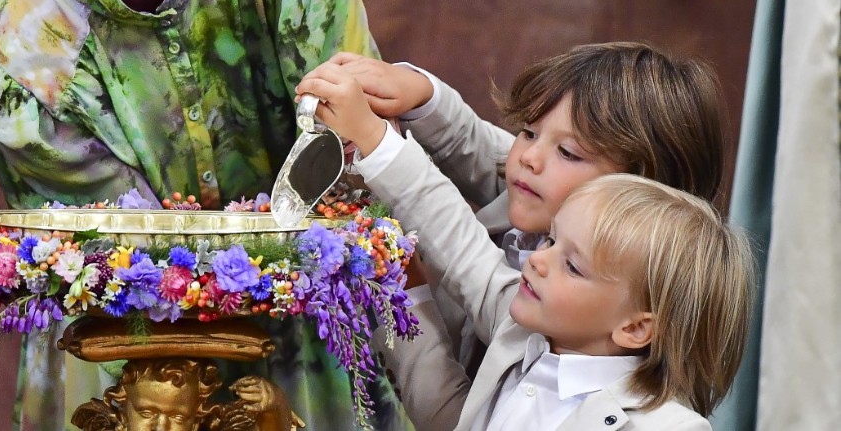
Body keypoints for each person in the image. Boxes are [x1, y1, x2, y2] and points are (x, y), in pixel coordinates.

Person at [0, 0, 407, 430]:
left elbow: (357, 147)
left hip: (306, 345)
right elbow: (128, 268)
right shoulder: (33, 50)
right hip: (132, 367)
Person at [295, 42, 729, 428]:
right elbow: (492, 155)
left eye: (568, 152)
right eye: (529, 131)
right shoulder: (557, 284)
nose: (528, 158)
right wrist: (423, 96)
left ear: (636, 191)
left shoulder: (552, 318)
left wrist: (376, 141)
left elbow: (469, 259)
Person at [386, 173, 754, 430]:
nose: (536, 260)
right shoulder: (525, 341)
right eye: (550, 239)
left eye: (573, 267)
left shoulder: (670, 427)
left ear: (635, 327)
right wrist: (407, 294)